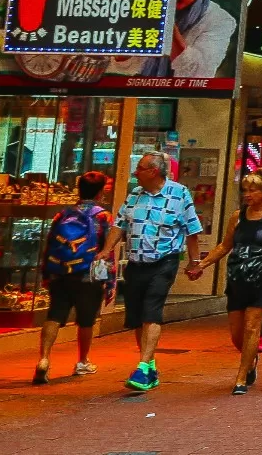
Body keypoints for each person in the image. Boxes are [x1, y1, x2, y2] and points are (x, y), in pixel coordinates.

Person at [101, 152, 205, 392]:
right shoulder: (135, 195)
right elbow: (120, 224)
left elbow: (192, 231)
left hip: (164, 262)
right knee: (137, 317)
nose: (135, 172)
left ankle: (142, 365)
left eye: (140, 168)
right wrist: (106, 250)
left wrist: (194, 262)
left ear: (154, 172)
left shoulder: (179, 194)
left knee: (152, 311)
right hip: (136, 263)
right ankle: (149, 366)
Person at [187, 171, 262, 394]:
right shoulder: (237, 216)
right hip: (238, 279)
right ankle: (250, 357)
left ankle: (241, 377)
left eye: (253, 190)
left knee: (251, 327)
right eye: (245, 190)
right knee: (237, 334)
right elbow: (225, 246)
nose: (248, 194)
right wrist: (201, 265)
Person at [33, 171, 112, 385]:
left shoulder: (63, 214)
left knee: (55, 315)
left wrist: (47, 272)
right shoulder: (102, 216)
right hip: (88, 274)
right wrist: (109, 280)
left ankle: (44, 358)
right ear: (99, 192)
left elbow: (50, 243)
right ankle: (82, 361)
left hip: (60, 272)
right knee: (86, 320)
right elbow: (107, 250)